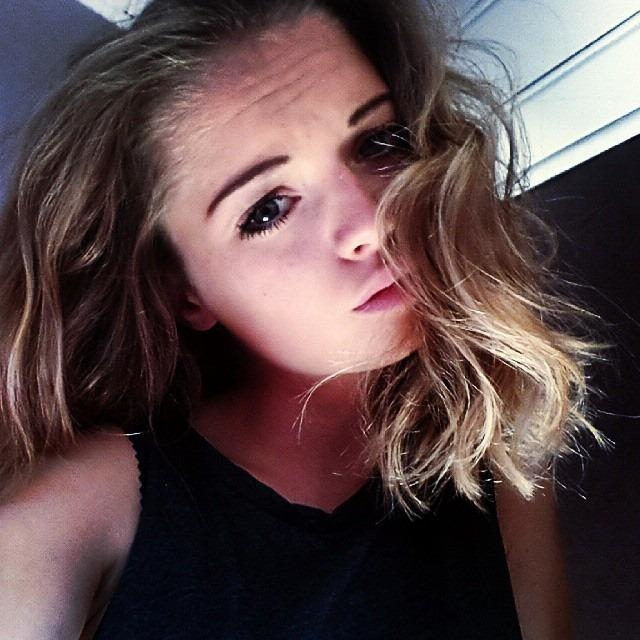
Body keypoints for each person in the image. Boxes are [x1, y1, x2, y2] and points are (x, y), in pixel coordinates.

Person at [0, 0, 601, 638]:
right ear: (184, 293)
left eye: (380, 143)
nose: (373, 222)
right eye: (268, 209)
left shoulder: (496, 464)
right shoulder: (79, 515)